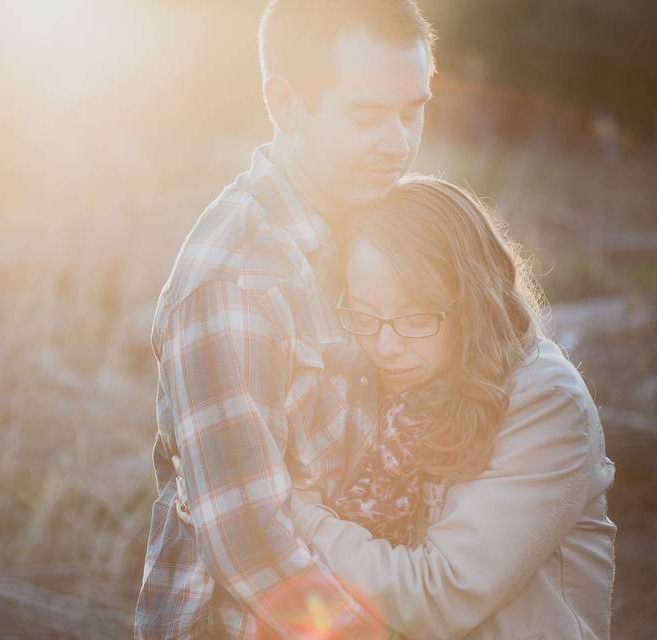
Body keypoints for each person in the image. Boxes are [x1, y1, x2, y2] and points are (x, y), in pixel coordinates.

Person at [135, 1, 436, 637]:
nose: (398, 143)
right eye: (367, 116)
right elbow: (251, 543)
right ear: (286, 105)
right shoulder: (236, 277)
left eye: (413, 112)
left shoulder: (373, 231)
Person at [289, 176, 616, 639]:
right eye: (364, 315)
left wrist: (288, 508)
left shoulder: (545, 403)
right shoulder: (374, 385)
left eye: (415, 318)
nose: (385, 345)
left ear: (473, 301)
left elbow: (436, 596)